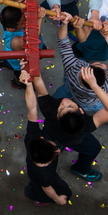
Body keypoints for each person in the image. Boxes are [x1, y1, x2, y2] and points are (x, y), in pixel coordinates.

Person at [53, 12, 108, 129]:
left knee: (58, 97)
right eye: (104, 68)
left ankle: (54, 107)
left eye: (100, 66)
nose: (104, 66)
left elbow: (62, 40)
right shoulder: (105, 88)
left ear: (86, 68)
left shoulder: (73, 67)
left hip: (69, 86)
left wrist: (64, 24)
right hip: (89, 103)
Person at [34, 66, 108, 182]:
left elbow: (38, 83)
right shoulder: (87, 125)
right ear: (81, 111)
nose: (64, 102)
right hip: (72, 141)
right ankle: (80, 169)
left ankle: (58, 143)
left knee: (50, 139)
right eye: (70, 106)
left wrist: (32, 66)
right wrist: (94, 86)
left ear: (57, 116)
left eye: (62, 108)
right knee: (93, 148)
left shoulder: (49, 109)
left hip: (50, 130)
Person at [22, 68, 72, 206]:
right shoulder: (44, 175)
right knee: (63, 192)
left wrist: (28, 85)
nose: (56, 147)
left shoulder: (32, 138)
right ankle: (37, 197)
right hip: (41, 180)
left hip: (38, 172)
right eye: (55, 147)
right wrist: (57, 199)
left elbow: (32, 108)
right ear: (54, 154)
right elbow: (47, 188)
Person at [0, 0, 46, 89]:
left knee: (9, 61)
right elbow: (32, 40)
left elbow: (9, 3)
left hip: (20, 53)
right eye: (23, 22)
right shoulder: (15, 41)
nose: (26, 21)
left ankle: (4, 62)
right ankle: (17, 83)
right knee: (20, 73)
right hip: (20, 64)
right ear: (11, 29)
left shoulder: (8, 18)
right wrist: (38, 19)